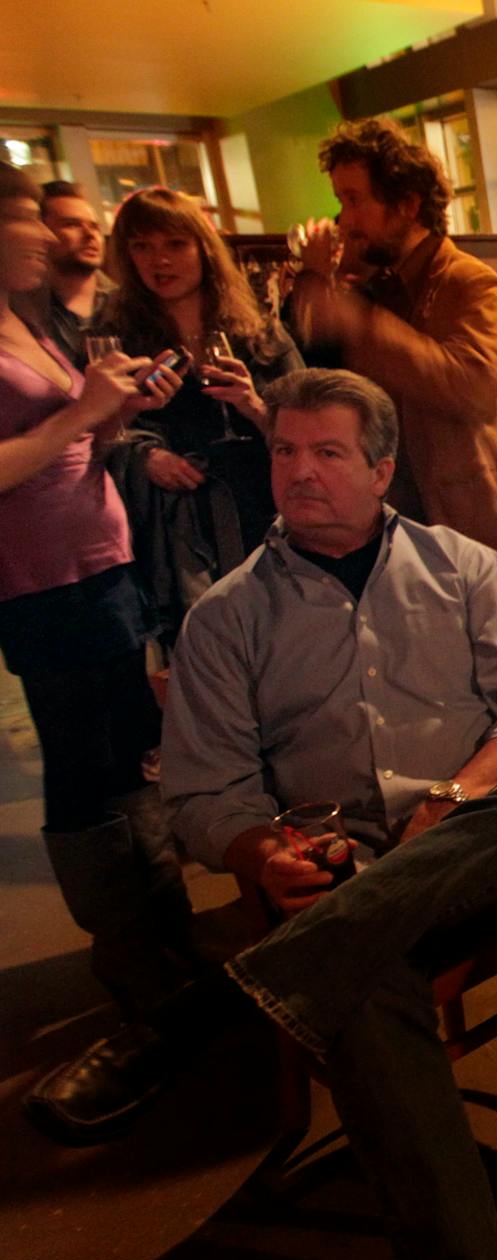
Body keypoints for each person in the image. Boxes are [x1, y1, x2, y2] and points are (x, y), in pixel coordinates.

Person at [160, 368, 497, 1260]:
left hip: (471, 839)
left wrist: (452, 793)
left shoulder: (461, 565)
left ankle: (223, 999)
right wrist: (264, 853)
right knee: (360, 978)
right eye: (284, 452)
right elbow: (202, 790)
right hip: (335, 861)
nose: (298, 473)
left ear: (382, 467)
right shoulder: (226, 616)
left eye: (327, 453)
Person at [3, 162, 195, 1146]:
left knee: (132, 767)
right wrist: (83, 416)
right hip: (41, 581)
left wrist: (119, 409)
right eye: (23, 221)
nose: (43, 235)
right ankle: (138, 991)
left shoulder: (36, 319)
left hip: (103, 559)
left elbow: (71, 439)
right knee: (86, 784)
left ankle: (171, 970)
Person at [288, 118, 497, 564]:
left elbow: (474, 388)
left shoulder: (469, 280)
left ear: (406, 204)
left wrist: (361, 319)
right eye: (340, 201)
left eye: (355, 199)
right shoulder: (373, 287)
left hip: (469, 523)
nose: (344, 219)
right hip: (393, 525)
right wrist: (316, 283)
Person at [100, 186, 304, 643]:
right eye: (142, 247)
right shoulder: (119, 338)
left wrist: (253, 404)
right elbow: (99, 433)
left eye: (175, 244)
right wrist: (146, 458)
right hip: (181, 529)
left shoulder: (257, 330)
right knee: (210, 655)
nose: (160, 260)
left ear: (203, 249)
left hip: (264, 512)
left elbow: (312, 421)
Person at [39, 180, 106, 366]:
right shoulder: (26, 312)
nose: (90, 235)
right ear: (41, 232)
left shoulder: (127, 303)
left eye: (94, 226)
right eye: (72, 224)